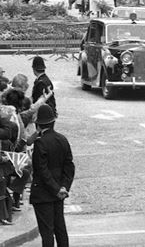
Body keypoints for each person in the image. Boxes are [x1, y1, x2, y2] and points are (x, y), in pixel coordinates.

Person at [30, 104, 75, 247]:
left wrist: (56, 189)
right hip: (59, 193)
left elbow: (42, 171)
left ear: (38, 125)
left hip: (44, 193)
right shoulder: (62, 139)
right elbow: (69, 166)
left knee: (47, 232)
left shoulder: (40, 143)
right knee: (60, 228)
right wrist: (64, 187)